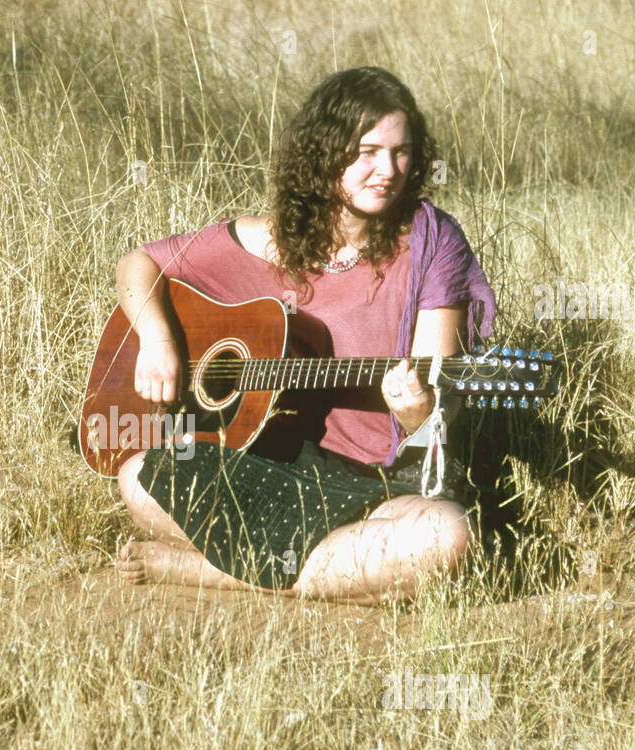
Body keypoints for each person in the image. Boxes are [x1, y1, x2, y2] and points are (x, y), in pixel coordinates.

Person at [113, 66, 497, 603]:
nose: (387, 169)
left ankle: (206, 568)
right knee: (138, 474)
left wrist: (415, 413)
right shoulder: (264, 240)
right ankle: (325, 575)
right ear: (324, 152)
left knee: (447, 537)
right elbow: (139, 264)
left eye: (401, 151)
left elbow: (437, 405)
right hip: (269, 464)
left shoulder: (432, 242)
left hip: (378, 484)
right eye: (367, 151)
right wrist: (158, 342)